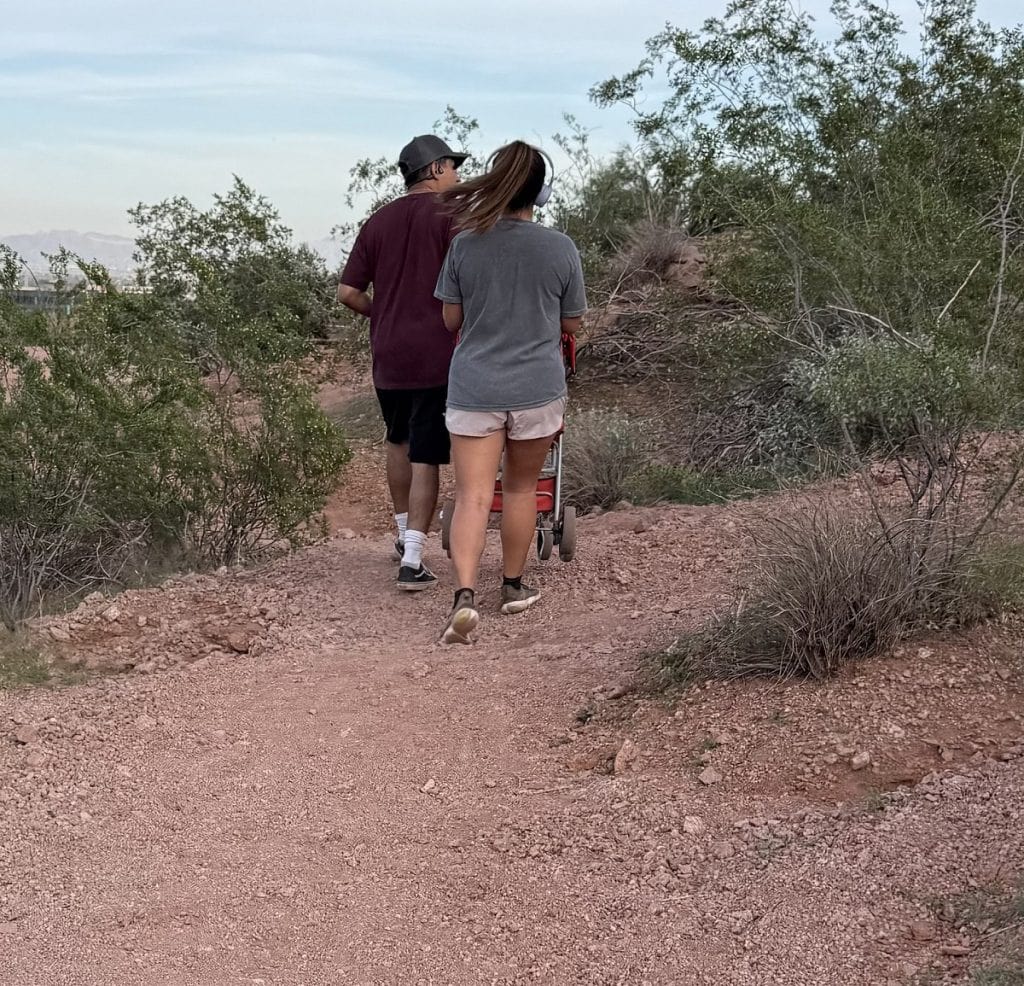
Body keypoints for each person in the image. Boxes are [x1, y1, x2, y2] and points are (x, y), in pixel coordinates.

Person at [433, 140, 586, 644]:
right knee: (521, 488)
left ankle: (463, 598)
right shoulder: (560, 248)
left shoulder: (464, 245)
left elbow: (450, 318)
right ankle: (514, 587)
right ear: (538, 193)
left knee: (474, 495)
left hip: (474, 386)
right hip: (536, 388)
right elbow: (572, 322)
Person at [337, 134, 467, 591]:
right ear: (434, 170)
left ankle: (401, 535)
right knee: (427, 454)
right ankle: (412, 559)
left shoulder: (377, 222)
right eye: (452, 167)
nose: (457, 175)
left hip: (388, 352)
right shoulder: (452, 218)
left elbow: (348, 292)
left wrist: (384, 313)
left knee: (397, 441)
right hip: (436, 352)